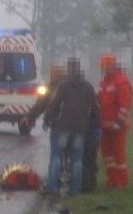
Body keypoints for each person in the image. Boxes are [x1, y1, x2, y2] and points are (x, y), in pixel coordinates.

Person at [43, 57, 100, 196]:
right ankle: (75, 190)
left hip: (62, 127)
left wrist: (47, 118)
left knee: (56, 156)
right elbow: (95, 109)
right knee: (77, 159)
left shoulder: (63, 86)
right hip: (80, 129)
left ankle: (53, 188)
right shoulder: (88, 87)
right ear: (79, 70)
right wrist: (96, 127)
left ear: (69, 70)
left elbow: (54, 105)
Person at [98, 53, 133, 188]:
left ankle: (122, 181)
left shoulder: (121, 81)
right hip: (105, 126)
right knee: (107, 154)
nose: (103, 69)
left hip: (117, 126)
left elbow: (125, 105)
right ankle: (112, 179)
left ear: (112, 66)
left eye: (105, 67)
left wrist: (118, 123)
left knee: (118, 154)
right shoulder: (104, 82)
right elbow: (100, 102)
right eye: (103, 67)